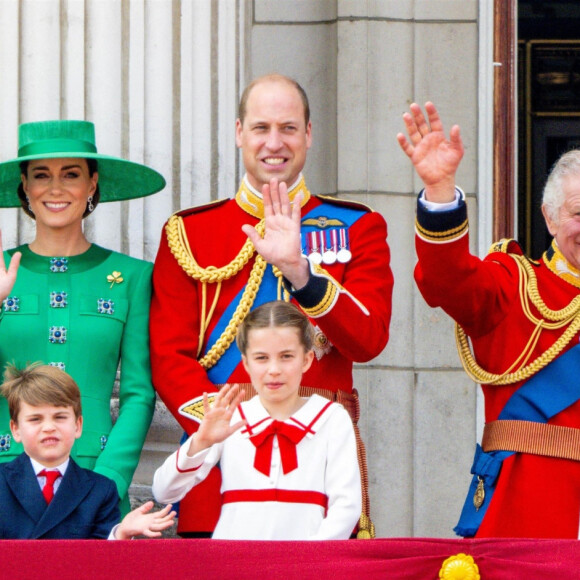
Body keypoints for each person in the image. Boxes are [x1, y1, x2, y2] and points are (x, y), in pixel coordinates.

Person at [150, 73, 393, 537]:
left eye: (288, 128)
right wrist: (230, 431)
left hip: (322, 463)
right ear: (240, 132)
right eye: (261, 128)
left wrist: (303, 274)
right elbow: (167, 358)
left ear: (308, 134)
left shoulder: (358, 226)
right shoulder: (189, 232)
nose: (274, 143)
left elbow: (368, 340)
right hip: (220, 474)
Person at [398, 101, 580, 539]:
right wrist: (440, 192)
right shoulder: (514, 285)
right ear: (550, 218)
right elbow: (448, 280)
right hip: (530, 511)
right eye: (579, 214)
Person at [0, 120, 165, 515]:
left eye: (70, 174)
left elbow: (139, 393)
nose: (56, 188)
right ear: (25, 186)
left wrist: (110, 478)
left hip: (95, 473)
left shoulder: (133, 276)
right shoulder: (0, 270)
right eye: (42, 175)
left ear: (92, 184)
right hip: (6, 472)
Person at [153, 301, 361, 540]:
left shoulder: (332, 418)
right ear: (246, 363)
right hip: (233, 563)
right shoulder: (232, 418)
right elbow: (164, 491)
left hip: (304, 565)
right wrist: (201, 441)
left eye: (286, 357)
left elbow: (346, 505)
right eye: (262, 358)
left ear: (307, 359)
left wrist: (309, 561)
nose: (274, 369)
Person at [0, 363, 175, 539]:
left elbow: (100, 559)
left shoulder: (100, 490)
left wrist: (119, 533)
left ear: (78, 425)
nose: (48, 427)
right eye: (35, 419)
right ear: (15, 429)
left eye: (59, 417)